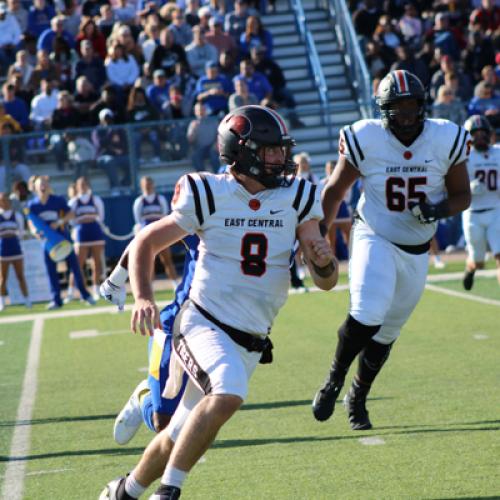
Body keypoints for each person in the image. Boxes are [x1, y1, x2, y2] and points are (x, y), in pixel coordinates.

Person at [99, 104, 338, 499]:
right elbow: (146, 241)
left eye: (281, 150)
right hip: (203, 321)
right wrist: (143, 295)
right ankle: (169, 492)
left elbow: (326, 282)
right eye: (271, 151)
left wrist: (324, 262)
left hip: (251, 337)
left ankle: (125, 490)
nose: (281, 159)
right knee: (227, 392)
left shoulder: (297, 196)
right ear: (243, 152)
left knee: (177, 433)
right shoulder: (209, 191)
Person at [311, 70, 471, 431]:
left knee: (386, 334)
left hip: (416, 249)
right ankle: (333, 381)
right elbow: (336, 191)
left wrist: (438, 209)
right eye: (398, 108)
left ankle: (359, 396)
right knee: (367, 312)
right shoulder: (367, 137)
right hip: (374, 233)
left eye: (413, 106)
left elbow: (463, 195)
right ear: (384, 110)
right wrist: (318, 236)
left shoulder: (445, 137)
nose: (408, 115)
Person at [27, 176, 95, 309]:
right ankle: (56, 300)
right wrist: (34, 231)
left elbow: (71, 214)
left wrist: (59, 222)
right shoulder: (32, 205)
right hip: (47, 243)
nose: (43, 186)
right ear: (34, 188)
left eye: (45, 183)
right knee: (51, 270)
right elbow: (31, 222)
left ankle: (85, 295)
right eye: (40, 184)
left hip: (63, 239)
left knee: (75, 267)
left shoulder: (58, 200)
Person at [462, 115, 500, 290]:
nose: (480, 137)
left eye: (483, 133)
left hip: (496, 210)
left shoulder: (497, 153)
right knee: (478, 261)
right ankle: (470, 270)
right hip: (473, 214)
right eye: (475, 134)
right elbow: (452, 186)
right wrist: (468, 187)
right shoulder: (465, 158)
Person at [133, 176, 179, 285]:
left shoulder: (161, 199)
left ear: (153, 185)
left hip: (160, 234)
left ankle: (175, 285)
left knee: (167, 260)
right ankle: (150, 287)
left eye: (149, 183)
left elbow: (165, 216)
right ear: (142, 186)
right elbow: (138, 221)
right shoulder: (139, 201)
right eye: (145, 184)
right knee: (148, 262)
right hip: (147, 235)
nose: (148, 186)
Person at [67, 177, 106, 301]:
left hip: (95, 231)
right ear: (77, 187)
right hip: (81, 233)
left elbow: (101, 216)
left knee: (97, 262)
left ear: (88, 185)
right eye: (80, 184)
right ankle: (71, 292)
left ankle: (96, 289)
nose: (83, 186)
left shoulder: (96, 199)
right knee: (78, 263)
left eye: (85, 184)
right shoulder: (73, 202)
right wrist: (79, 225)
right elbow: (71, 220)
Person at [0, 192, 30, 310]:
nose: (3, 202)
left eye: (5, 200)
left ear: (9, 201)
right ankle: (2, 301)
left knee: (20, 276)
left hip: (16, 248)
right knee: (3, 277)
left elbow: (21, 232)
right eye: (1, 200)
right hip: (3, 249)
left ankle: (27, 300)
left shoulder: (17, 215)